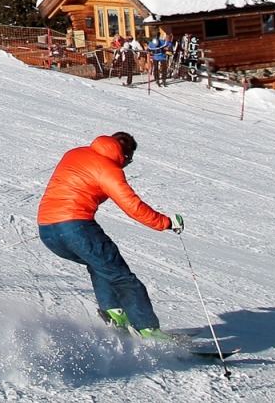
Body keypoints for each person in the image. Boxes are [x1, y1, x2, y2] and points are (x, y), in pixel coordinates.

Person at [36, 131, 180, 338]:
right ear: (123, 153)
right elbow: (133, 206)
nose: (127, 164)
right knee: (123, 278)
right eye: (128, 159)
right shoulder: (108, 169)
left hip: (47, 230)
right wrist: (165, 222)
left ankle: (115, 314)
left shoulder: (75, 153)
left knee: (100, 266)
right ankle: (148, 329)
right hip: (76, 228)